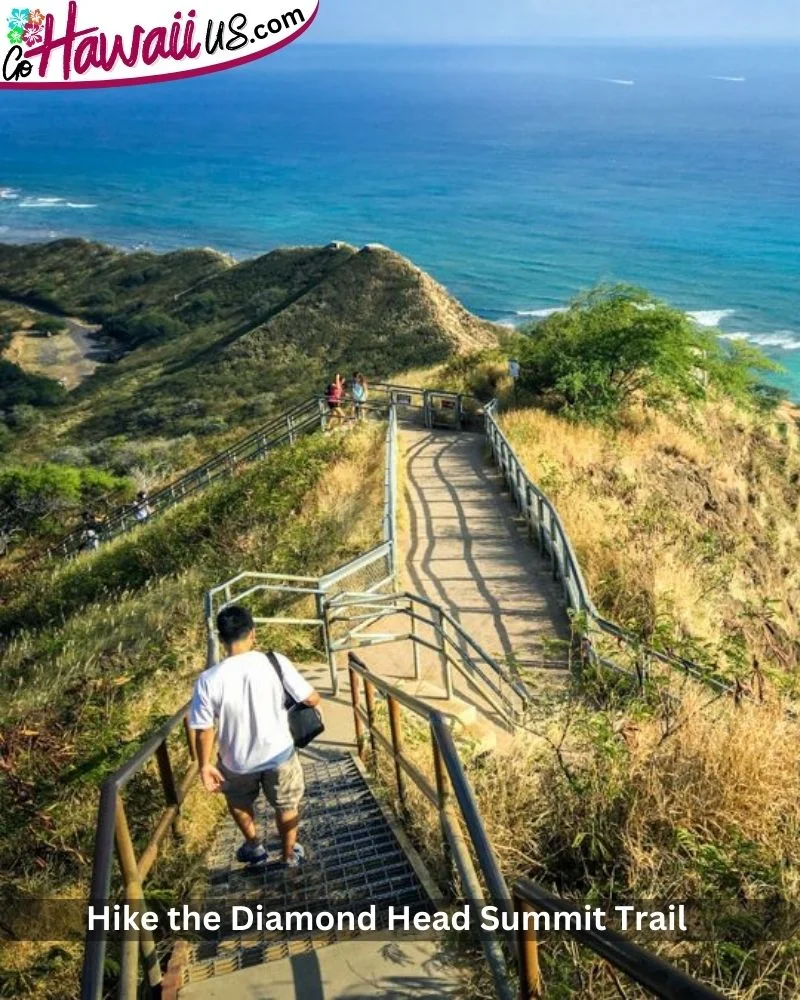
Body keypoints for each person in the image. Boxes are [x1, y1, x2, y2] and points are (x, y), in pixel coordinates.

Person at [189, 605, 321, 869]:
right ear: (252, 633)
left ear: (222, 638)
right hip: (279, 753)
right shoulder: (274, 661)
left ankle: (255, 846)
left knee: (238, 802)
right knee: (286, 805)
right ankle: (288, 856)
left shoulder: (207, 679)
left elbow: (204, 728)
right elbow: (310, 696)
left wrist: (204, 765)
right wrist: (315, 703)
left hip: (235, 760)